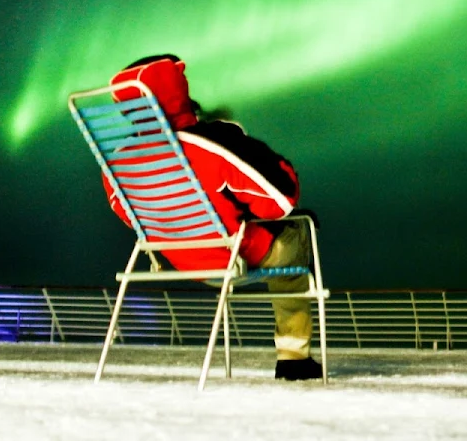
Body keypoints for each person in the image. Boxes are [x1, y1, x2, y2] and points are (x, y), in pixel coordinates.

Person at [102, 54, 323, 381]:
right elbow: (281, 199)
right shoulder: (211, 145)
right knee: (298, 231)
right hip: (233, 255)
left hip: (183, 262)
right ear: (178, 91)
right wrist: (241, 144)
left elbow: (129, 214)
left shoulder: (118, 164)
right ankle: (294, 357)